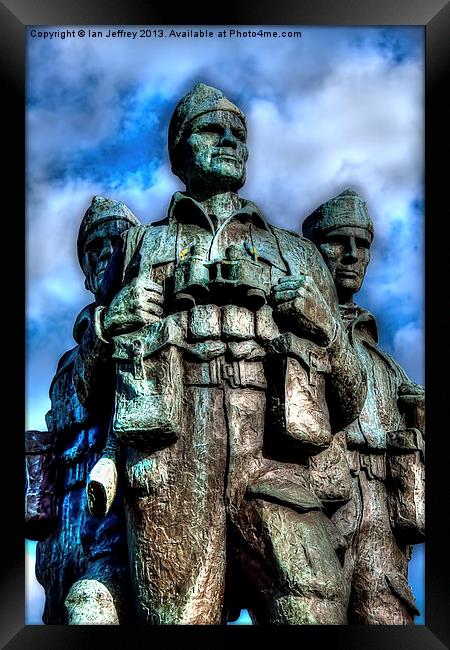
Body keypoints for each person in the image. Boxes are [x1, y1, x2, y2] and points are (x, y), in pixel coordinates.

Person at [88, 83, 367, 625]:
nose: (230, 141)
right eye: (212, 130)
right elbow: (89, 392)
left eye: (239, 133)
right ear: (178, 151)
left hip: (278, 463)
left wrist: (327, 327)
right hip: (170, 467)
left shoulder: (299, 255)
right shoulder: (138, 247)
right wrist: (110, 322)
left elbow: (351, 399)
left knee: (313, 609)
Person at [302, 188, 425, 624]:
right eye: (338, 242)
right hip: (320, 506)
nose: (352, 255)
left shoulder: (388, 366)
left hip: (383, 521)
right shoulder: (296, 336)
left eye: (362, 244)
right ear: (310, 252)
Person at [26, 196, 140, 624]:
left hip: (114, 510)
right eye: (94, 248)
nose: (106, 254)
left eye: (116, 242)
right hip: (62, 523)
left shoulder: (148, 336)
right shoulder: (66, 364)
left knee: (92, 608)